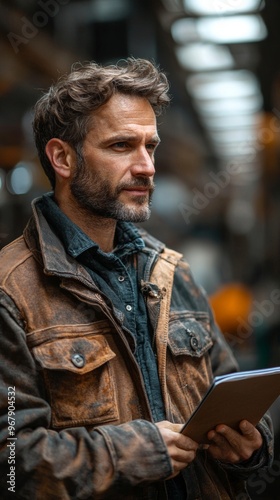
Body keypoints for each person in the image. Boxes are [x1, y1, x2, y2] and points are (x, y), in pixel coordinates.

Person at [0, 58, 273, 500]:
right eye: (123, 145)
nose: (146, 166)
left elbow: (229, 389)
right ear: (62, 158)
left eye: (151, 146)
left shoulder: (172, 271)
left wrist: (250, 446)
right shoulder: (11, 292)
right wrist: (136, 451)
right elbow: (12, 463)